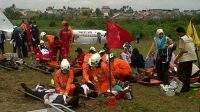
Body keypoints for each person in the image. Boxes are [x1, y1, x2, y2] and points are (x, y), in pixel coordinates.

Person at [174, 27, 197, 92]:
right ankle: (187, 88)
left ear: (180, 32)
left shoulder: (182, 39)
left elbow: (182, 50)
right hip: (191, 57)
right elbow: (193, 48)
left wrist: (176, 58)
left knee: (182, 74)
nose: (177, 34)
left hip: (185, 59)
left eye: (178, 33)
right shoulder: (189, 37)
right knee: (188, 73)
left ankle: (182, 88)